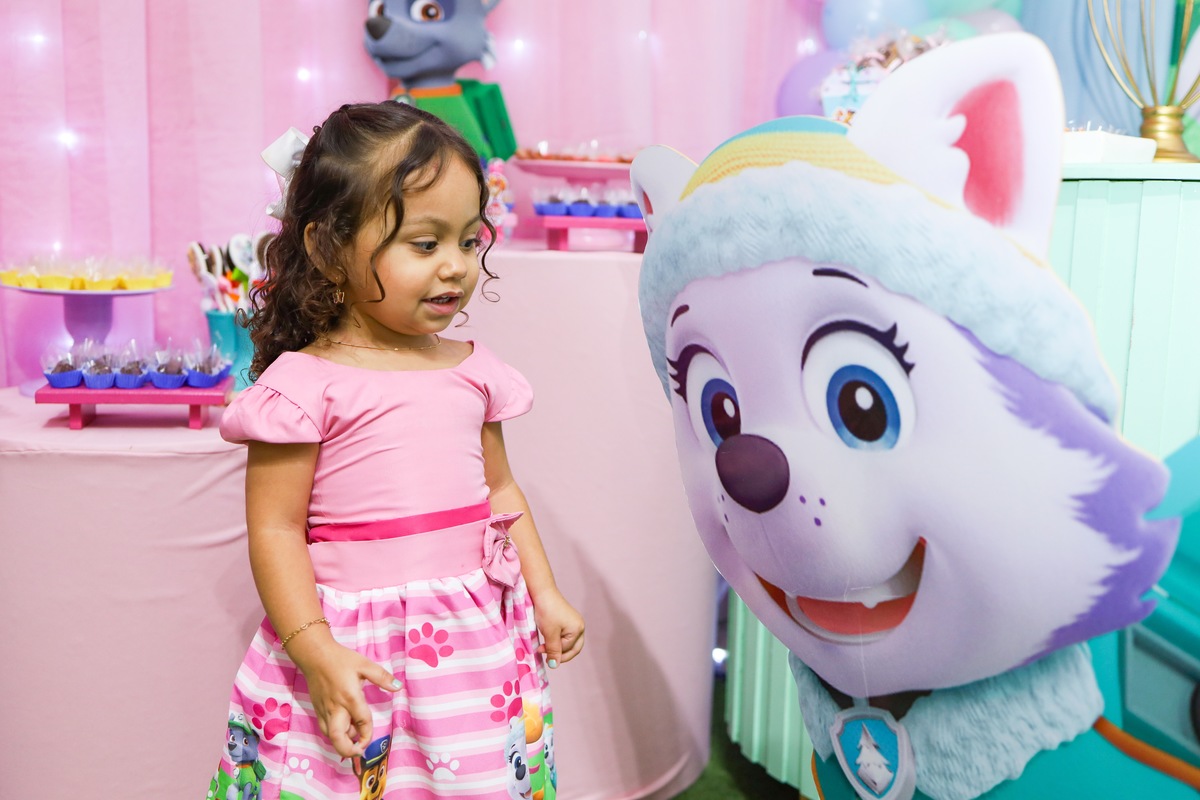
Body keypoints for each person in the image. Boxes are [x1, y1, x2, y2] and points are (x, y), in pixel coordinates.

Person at [205, 101, 584, 800]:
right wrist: (315, 649)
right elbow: (276, 528)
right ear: (326, 248)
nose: (455, 268)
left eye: (469, 242)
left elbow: (501, 495)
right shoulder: (303, 387)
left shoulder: (473, 370)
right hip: (356, 649)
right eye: (424, 243)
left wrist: (546, 590)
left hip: (472, 651)